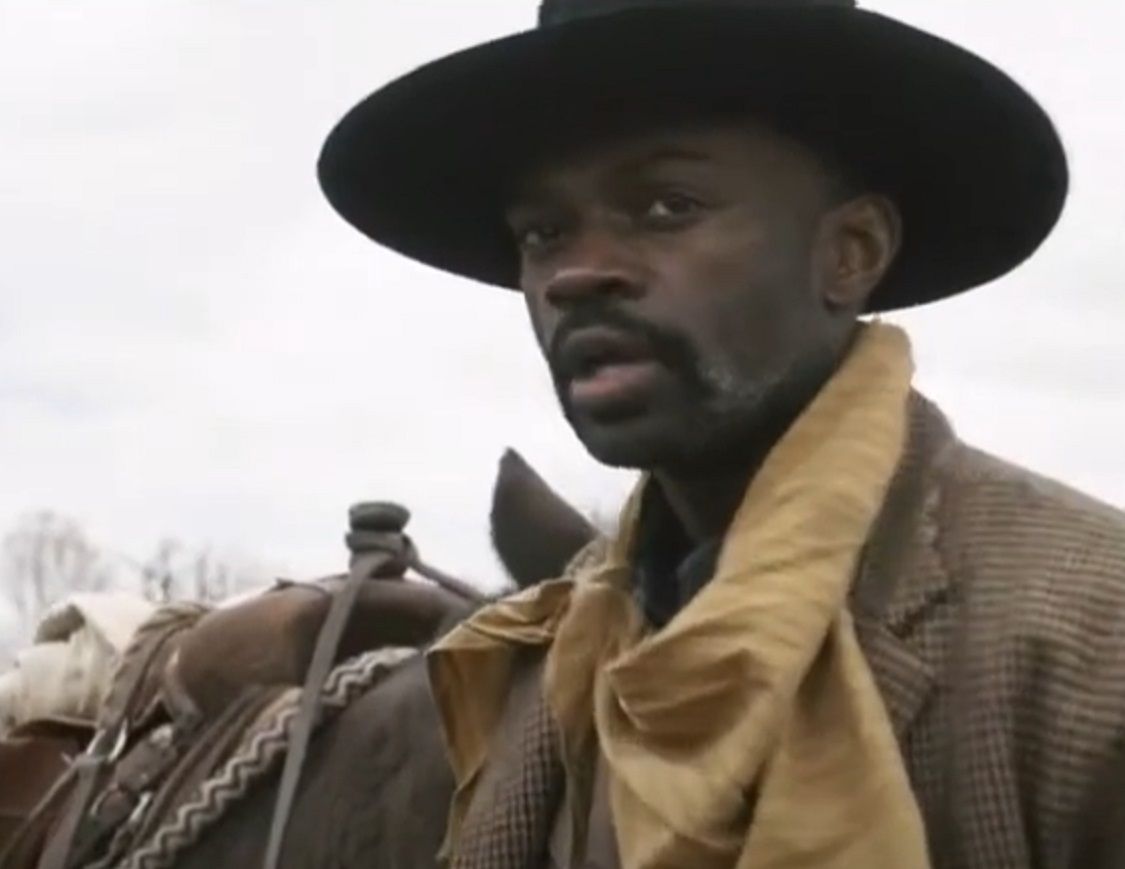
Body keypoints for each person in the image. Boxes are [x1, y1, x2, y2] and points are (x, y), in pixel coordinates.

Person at [315, 1, 1125, 867]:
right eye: (543, 232)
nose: (575, 274)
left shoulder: (1087, 644)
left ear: (850, 252)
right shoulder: (553, 657)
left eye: (668, 205)